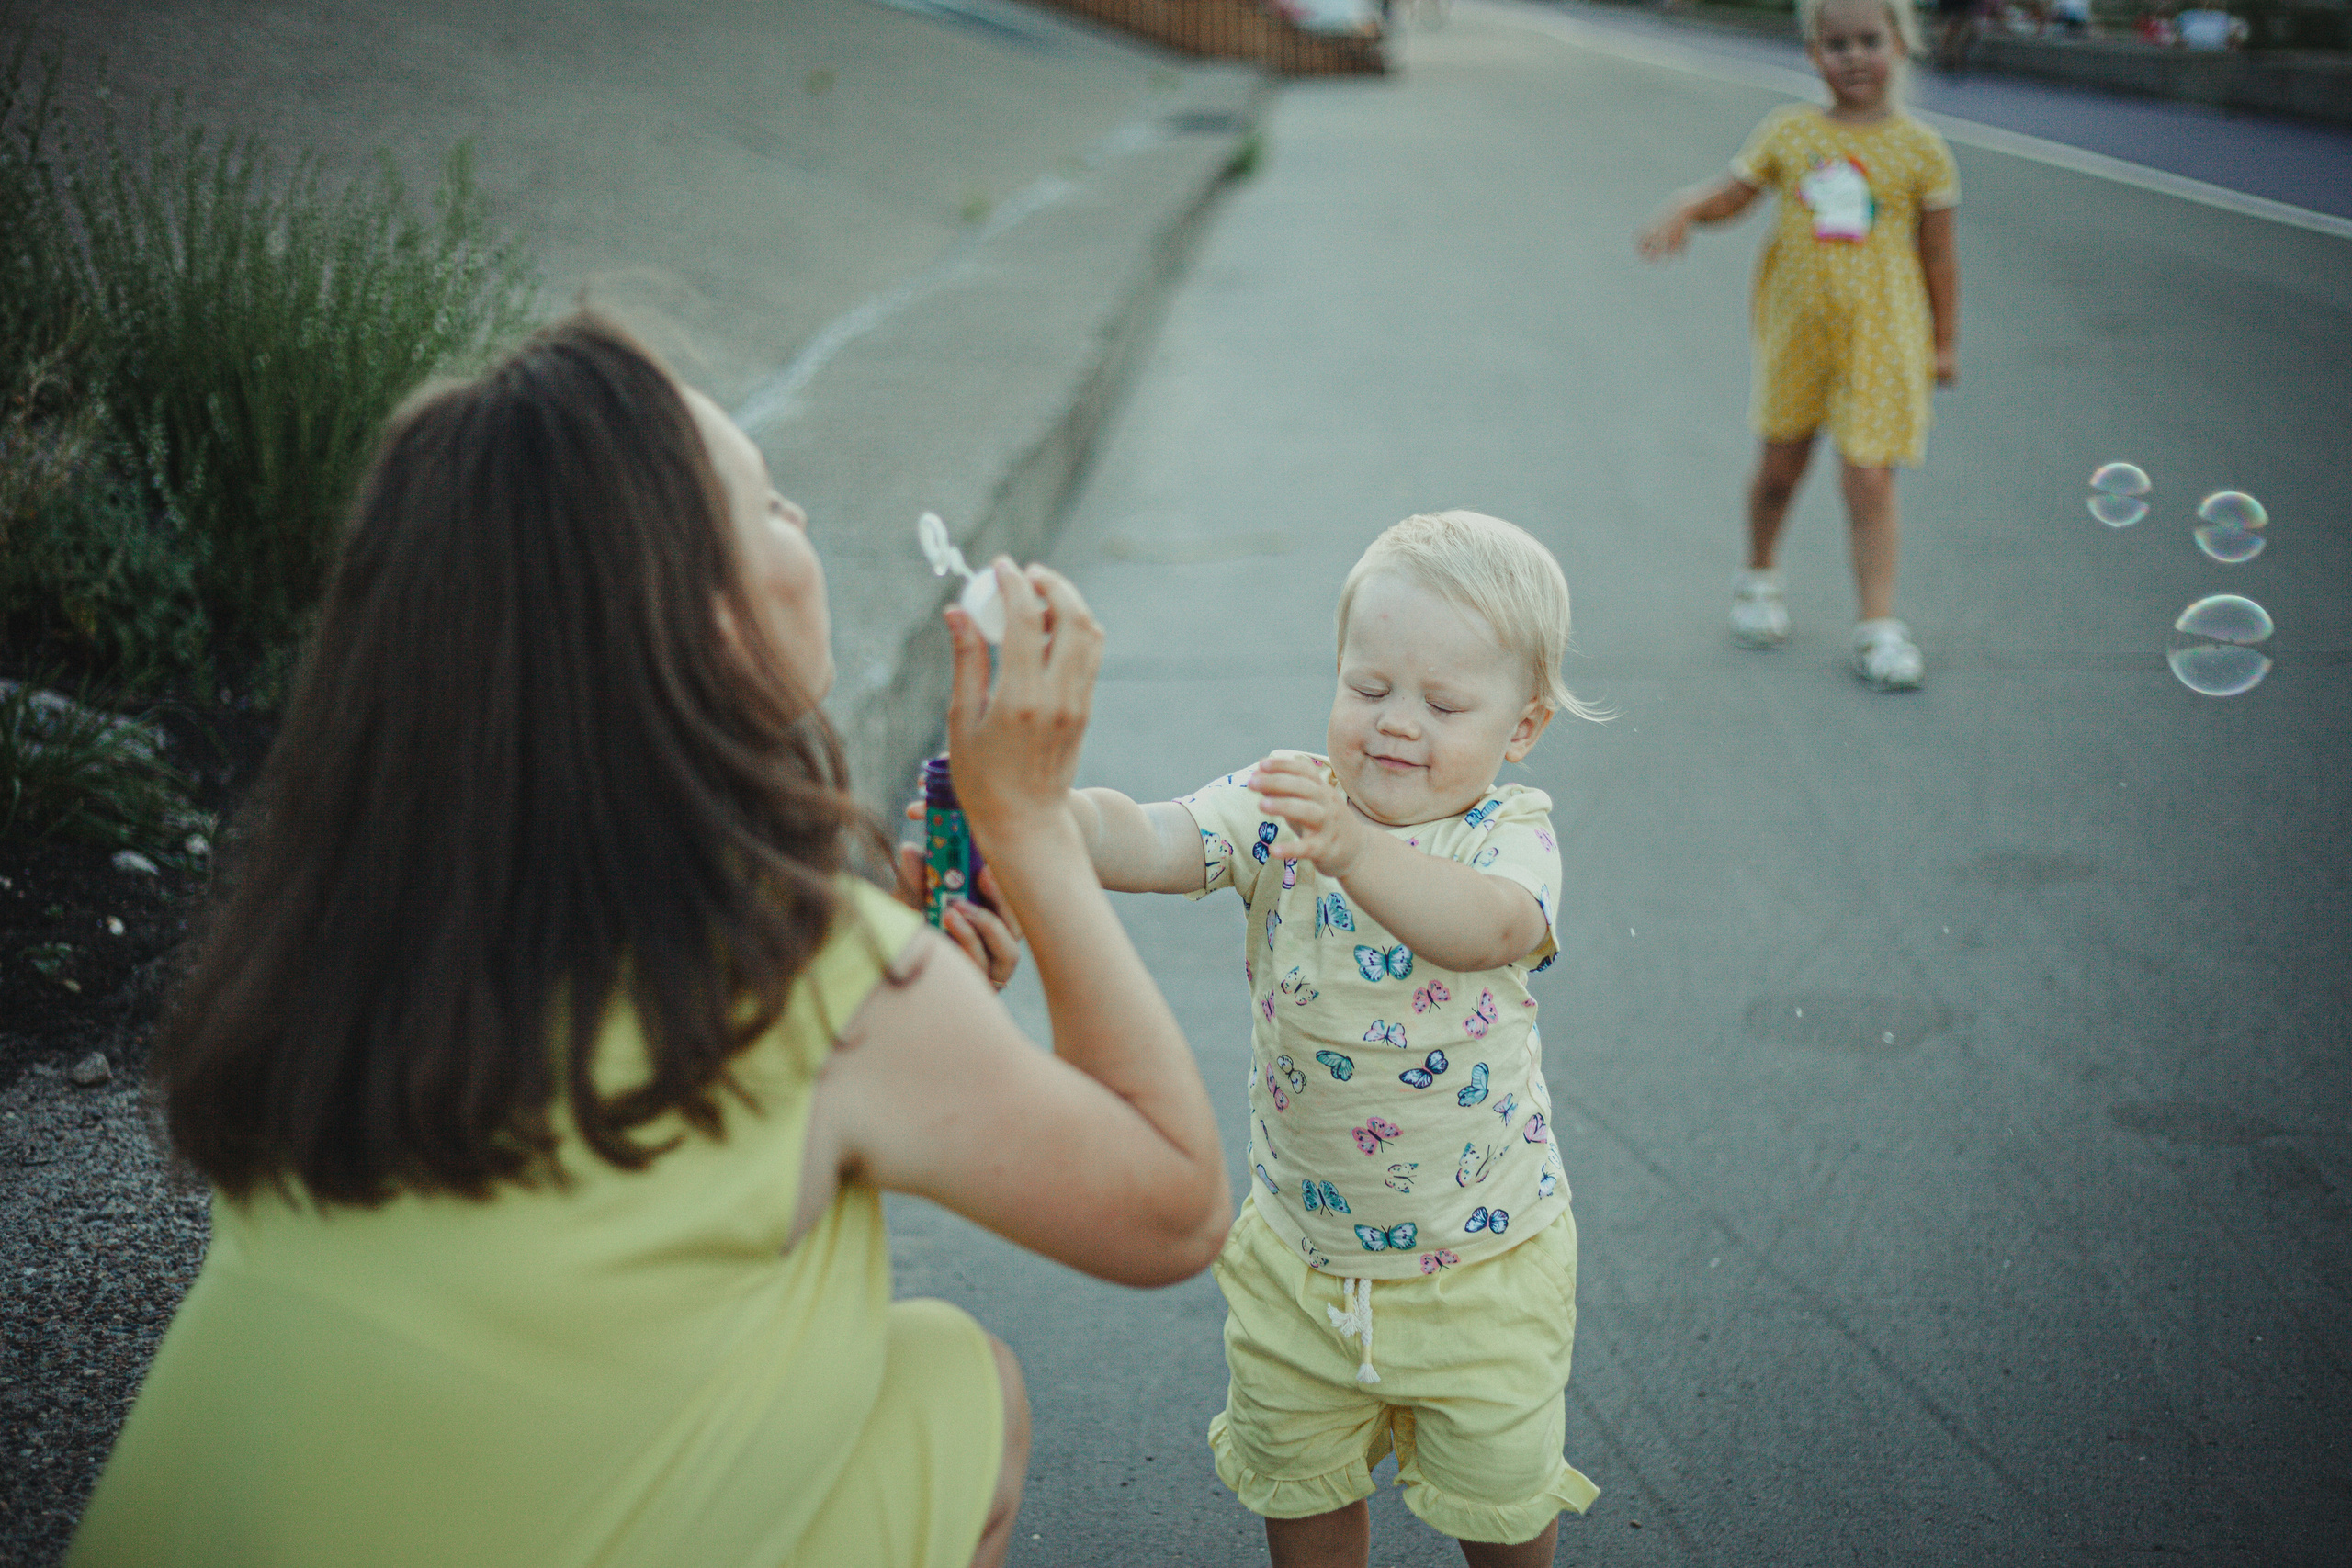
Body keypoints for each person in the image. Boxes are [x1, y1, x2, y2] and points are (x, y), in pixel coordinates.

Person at [65, 316, 1232, 1568]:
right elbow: (1173, 1207)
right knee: (969, 1385)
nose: (804, 524)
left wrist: (908, 1009)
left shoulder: (353, 937)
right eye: (774, 505)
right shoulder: (794, 970)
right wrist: (1034, 826)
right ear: (711, 627)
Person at [1062, 510, 1603, 1568]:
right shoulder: (1286, 808)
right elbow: (1157, 835)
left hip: (1481, 1266)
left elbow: (1492, 927)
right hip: (1299, 1263)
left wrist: (1354, 849)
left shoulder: (1506, 833)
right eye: (1367, 688)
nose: (1397, 722)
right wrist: (1047, 818)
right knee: (1301, 1489)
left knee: (1498, 1508)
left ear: (1522, 726)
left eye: (1444, 703)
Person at [1636, 0, 1962, 691]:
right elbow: (1736, 195)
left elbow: (1940, 258)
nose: (1853, 56)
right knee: (1779, 470)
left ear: (1902, 45)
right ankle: (1758, 574)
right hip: (1798, 340)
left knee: (1869, 477)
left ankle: (1878, 625)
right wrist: (1691, 206)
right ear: (1813, 54)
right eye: (1836, 43)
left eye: (1869, 40)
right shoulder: (1790, 133)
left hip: (1884, 341)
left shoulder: (1922, 150)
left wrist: (1945, 343)